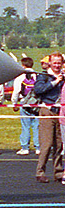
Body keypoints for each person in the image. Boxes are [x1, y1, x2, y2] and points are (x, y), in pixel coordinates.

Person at [31, 53, 65, 183]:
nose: (57, 65)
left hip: (60, 113)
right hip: (47, 111)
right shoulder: (44, 76)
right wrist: (55, 82)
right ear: (49, 63)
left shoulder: (63, 76)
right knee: (47, 143)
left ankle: (58, 171)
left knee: (59, 144)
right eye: (54, 63)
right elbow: (38, 89)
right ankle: (40, 171)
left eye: (59, 63)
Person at [13, 58, 40, 156]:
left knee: (25, 126)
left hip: (24, 103)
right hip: (36, 103)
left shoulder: (20, 77)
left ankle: (25, 147)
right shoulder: (37, 75)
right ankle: (38, 147)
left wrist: (14, 104)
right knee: (36, 126)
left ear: (23, 65)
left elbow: (16, 92)